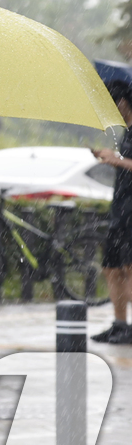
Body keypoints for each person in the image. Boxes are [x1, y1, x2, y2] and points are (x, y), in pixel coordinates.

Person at [92, 79, 132, 344]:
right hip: (121, 209)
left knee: (129, 268)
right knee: (111, 267)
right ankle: (120, 325)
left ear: (123, 102)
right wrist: (110, 158)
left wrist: (117, 160)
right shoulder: (126, 132)